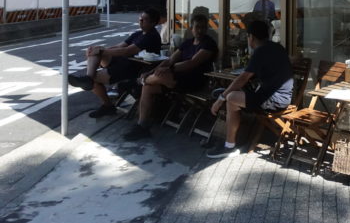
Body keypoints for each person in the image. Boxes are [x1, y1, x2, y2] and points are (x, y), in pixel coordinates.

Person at [123, 13, 218, 141]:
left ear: (207, 28)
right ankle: (142, 126)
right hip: (176, 79)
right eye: (197, 27)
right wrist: (152, 71)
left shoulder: (209, 44)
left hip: (195, 81)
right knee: (148, 87)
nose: (200, 30)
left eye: (203, 27)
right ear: (191, 28)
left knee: (161, 76)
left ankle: (139, 81)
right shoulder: (187, 43)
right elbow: (170, 60)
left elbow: (192, 63)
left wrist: (168, 69)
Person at [207, 20, 292, 158]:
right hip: (279, 97)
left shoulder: (261, 51)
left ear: (251, 37)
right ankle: (229, 142)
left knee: (230, 98)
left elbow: (243, 78)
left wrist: (221, 98)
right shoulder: (276, 47)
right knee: (232, 98)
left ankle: (229, 145)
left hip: (274, 100)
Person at [68, 8, 162, 118]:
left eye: (144, 20)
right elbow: (119, 46)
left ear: (153, 23)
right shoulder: (138, 34)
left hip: (134, 69)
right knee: (95, 50)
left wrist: (102, 51)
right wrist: (100, 50)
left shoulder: (151, 36)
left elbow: (127, 51)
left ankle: (107, 105)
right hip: (124, 62)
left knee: (95, 78)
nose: (140, 21)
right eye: (140, 18)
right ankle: (89, 78)